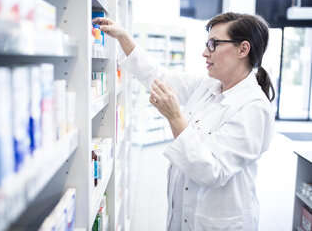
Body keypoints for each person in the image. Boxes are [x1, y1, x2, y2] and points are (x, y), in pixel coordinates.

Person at [93, 12, 275, 231]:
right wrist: (123, 37)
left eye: (213, 44)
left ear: (243, 49)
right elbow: (160, 76)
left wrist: (175, 117)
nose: (204, 52)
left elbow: (211, 170)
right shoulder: (209, 86)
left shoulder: (254, 108)